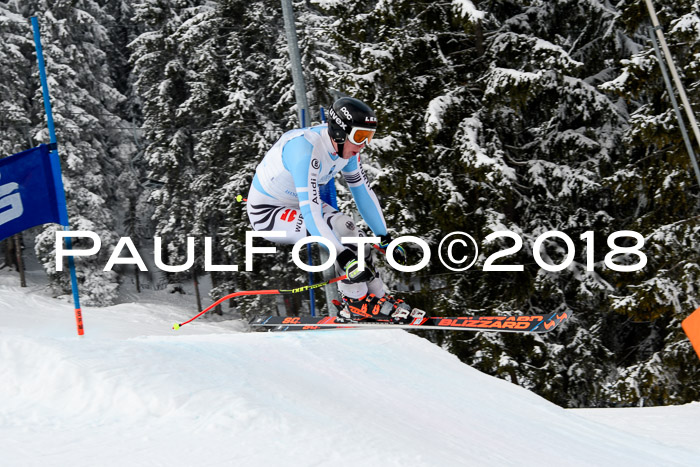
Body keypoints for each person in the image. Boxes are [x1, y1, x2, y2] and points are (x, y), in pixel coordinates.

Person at [246, 96, 425, 324]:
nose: (363, 144)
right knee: (341, 236)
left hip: (299, 202)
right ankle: (356, 303)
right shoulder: (304, 150)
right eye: (360, 136)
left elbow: (362, 192)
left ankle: (378, 298)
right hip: (268, 212)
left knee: (354, 234)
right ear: (340, 132)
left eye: (368, 137)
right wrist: (343, 255)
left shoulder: (346, 150)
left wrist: (383, 236)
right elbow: (311, 212)